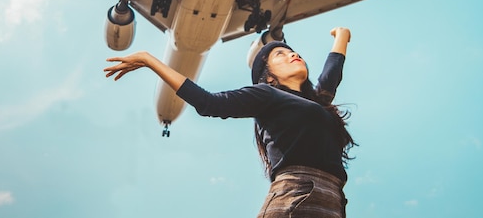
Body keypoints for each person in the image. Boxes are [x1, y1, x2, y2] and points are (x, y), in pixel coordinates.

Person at [104, 27, 355, 218]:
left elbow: (331, 75)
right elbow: (208, 103)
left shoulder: (318, 103)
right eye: (280, 54)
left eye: (293, 51)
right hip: (296, 195)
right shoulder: (266, 95)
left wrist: (341, 36)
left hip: (333, 197)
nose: (294, 54)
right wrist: (151, 60)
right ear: (267, 78)